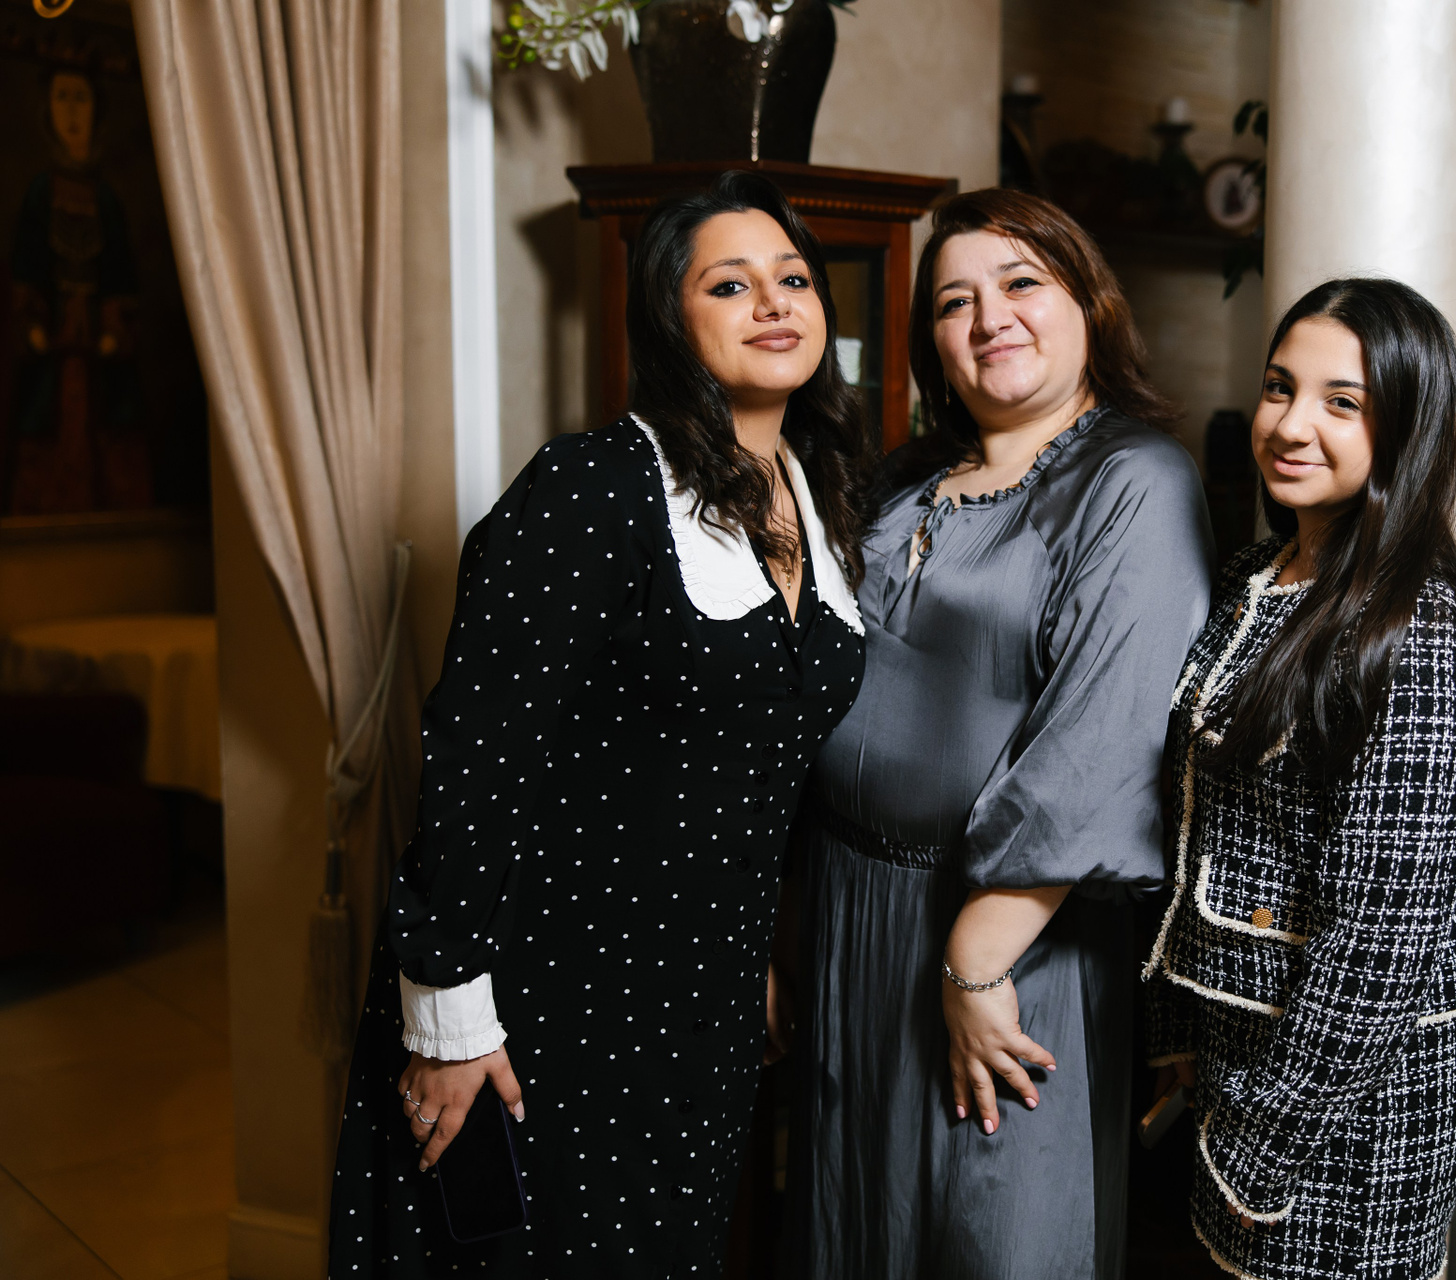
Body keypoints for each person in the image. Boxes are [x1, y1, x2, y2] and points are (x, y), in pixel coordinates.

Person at [326, 170, 873, 1278]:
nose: (774, 301)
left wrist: (760, 953)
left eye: (795, 278)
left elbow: (764, 778)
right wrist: (449, 1018)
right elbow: (477, 754)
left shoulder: (818, 495)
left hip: (701, 1004)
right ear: (670, 317)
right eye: (730, 284)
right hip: (548, 991)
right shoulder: (594, 487)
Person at [781, 189, 1212, 1280]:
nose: (989, 319)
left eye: (1022, 283)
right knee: (852, 1229)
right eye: (953, 302)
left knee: (997, 1235)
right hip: (847, 910)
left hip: (1007, 931)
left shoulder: (1134, 480)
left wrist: (975, 966)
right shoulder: (904, 478)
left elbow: (1104, 742)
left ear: (1089, 303)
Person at [1142, 277, 1456, 1280]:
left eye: (1342, 402)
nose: (1291, 424)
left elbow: (1380, 941)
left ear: (1408, 427)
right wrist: (1182, 1033)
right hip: (1242, 1052)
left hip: (1354, 1099)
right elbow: (1202, 823)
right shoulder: (1253, 578)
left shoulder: (1418, 634)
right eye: (1279, 387)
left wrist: (1263, 1141)